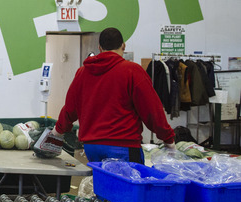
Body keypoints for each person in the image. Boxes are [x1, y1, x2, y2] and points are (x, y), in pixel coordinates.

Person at [52, 27, 176, 163]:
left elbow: (70, 108)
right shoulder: (132, 71)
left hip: (92, 147)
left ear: (99, 48)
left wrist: (58, 130)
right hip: (123, 145)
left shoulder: (82, 73)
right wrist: (168, 138)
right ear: (123, 46)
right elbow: (152, 110)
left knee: (102, 183)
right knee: (126, 184)